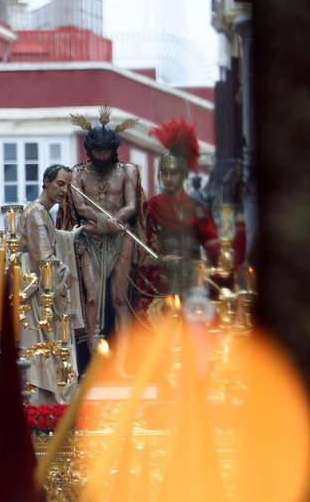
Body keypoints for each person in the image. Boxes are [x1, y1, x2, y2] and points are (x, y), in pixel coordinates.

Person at [67, 107, 143, 347]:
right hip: (91, 239)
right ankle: (93, 360)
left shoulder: (128, 171)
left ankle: (121, 363)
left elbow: (131, 205)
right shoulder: (77, 174)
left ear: (114, 150)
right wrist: (104, 222)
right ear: (89, 150)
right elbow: (81, 207)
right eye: (97, 151)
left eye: (106, 151)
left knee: (120, 299)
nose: (101, 157)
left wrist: (114, 222)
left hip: (121, 237)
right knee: (92, 300)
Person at [132, 119, 221, 311]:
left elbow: (214, 248)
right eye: (165, 173)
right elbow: (140, 246)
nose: (169, 178)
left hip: (194, 286)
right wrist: (158, 260)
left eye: (174, 173)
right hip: (160, 284)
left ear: (183, 175)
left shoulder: (199, 209)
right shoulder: (151, 207)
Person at [19, 164, 85, 402]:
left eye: (68, 185)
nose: (65, 190)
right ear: (46, 182)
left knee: (50, 354)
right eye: (60, 183)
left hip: (41, 293)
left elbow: (50, 238)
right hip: (37, 298)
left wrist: (68, 237)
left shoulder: (42, 214)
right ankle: (42, 411)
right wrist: (65, 276)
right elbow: (41, 255)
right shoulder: (35, 212)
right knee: (43, 353)